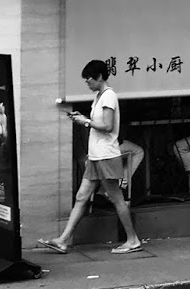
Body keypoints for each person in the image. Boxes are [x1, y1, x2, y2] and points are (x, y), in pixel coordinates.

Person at [38, 60, 143, 255]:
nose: (87, 83)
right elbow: (100, 122)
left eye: (89, 80)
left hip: (105, 155)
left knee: (116, 198)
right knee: (82, 196)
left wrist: (85, 122)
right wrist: (85, 118)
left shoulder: (109, 96)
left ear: (100, 77)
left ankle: (133, 239)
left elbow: (108, 126)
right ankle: (63, 240)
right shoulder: (99, 97)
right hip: (96, 156)